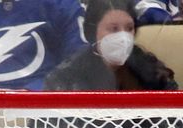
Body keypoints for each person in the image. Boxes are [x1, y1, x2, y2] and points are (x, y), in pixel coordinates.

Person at [44, 0, 178, 91]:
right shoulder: (64, 79)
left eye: (129, 28)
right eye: (113, 29)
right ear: (92, 31)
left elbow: (176, 127)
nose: (123, 37)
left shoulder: (156, 74)